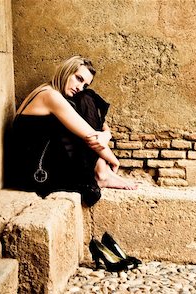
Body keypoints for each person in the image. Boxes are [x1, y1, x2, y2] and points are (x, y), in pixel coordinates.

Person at [7, 56, 137, 207]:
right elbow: (92, 136)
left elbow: (98, 127)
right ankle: (103, 173)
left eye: (84, 84)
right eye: (78, 78)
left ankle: (103, 172)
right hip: (32, 173)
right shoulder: (51, 96)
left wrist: (107, 134)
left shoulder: (46, 90)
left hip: (31, 166)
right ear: (66, 71)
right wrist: (114, 160)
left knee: (87, 97)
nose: (79, 87)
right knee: (86, 99)